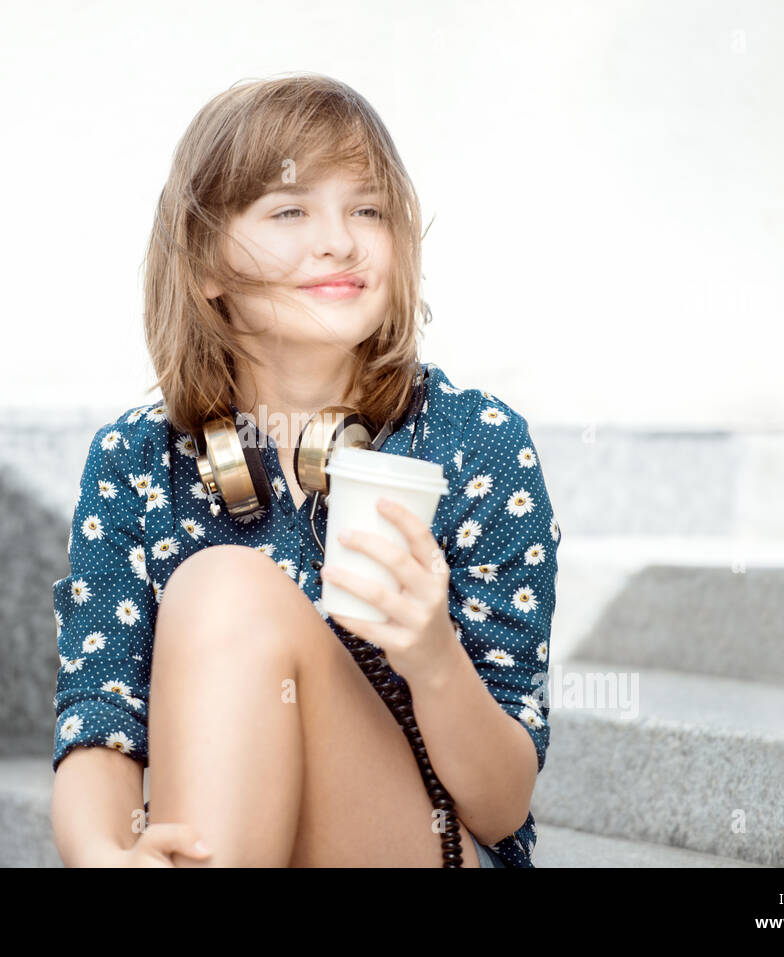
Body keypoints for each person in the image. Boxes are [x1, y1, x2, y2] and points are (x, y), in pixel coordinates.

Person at [49, 73, 561, 868]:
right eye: (290, 211)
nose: (340, 241)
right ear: (206, 260)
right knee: (222, 589)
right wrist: (99, 853)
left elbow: (500, 806)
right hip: (230, 829)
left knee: (225, 587)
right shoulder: (135, 461)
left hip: (431, 845)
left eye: (367, 209)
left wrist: (431, 654)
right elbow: (99, 721)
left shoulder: (476, 443)